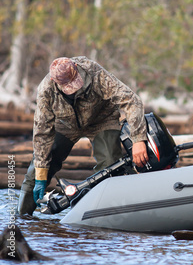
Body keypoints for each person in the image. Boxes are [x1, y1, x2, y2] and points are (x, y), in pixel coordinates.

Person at [17, 56, 149, 215]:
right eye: (68, 85)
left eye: (75, 80)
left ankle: (113, 214)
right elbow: (41, 133)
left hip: (102, 120)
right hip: (66, 124)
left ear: (76, 67)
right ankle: (22, 220)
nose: (75, 87)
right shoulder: (46, 90)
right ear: (55, 81)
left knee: (111, 164)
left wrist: (138, 139)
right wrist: (40, 174)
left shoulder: (93, 72)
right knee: (35, 173)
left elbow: (131, 100)